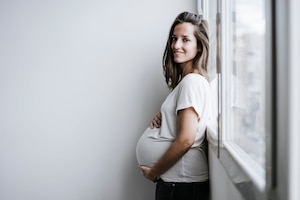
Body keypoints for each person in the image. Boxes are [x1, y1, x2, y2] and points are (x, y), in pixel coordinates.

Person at [136, 11, 211, 200]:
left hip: (181, 185)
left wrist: (154, 172)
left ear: (199, 47)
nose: (176, 45)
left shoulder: (191, 82)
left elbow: (186, 140)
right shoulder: (187, 82)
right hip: (178, 183)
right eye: (174, 38)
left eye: (185, 40)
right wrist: (165, 114)